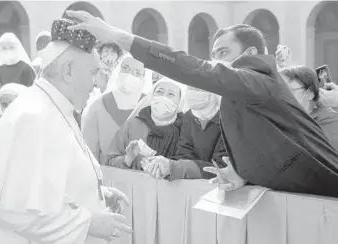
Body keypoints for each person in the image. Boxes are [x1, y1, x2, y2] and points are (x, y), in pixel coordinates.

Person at [67, 11, 338, 197]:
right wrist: (244, 175)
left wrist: (117, 36)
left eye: (223, 52)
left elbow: (194, 68)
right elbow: (275, 146)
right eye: (213, 54)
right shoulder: (239, 96)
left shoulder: (261, 79)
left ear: (251, 54)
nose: (216, 61)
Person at [0, 18, 132, 244]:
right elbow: (17, 212)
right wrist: (88, 222)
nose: (96, 84)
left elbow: (50, 183)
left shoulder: (54, 108)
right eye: (92, 73)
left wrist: (93, 194)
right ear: (68, 71)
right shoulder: (32, 116)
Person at [145, 86, 227, 180]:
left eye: (200, 88)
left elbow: (223, 168)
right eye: (190, 87)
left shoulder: (229, 120)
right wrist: (163, 166)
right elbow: (184, 153)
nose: (193, 92)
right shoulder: (189, 117)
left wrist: (175, 167)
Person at [82, 55, 151, 164]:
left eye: (137, 72)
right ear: (118, 71)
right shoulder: (97, 107)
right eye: (126, 69)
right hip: (106, 176)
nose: (129, 75)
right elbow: (89, 155)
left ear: (144, 79)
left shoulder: (150, 107)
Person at [106, 77, 185, 171]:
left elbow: (189, 167)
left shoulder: (185, 131)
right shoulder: (132, 125)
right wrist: (128, 159)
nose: (164, 97)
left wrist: (170, 167)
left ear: (180, 101)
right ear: (152, 95)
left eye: (171, 94)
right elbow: (109, 162)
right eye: (159, 91)